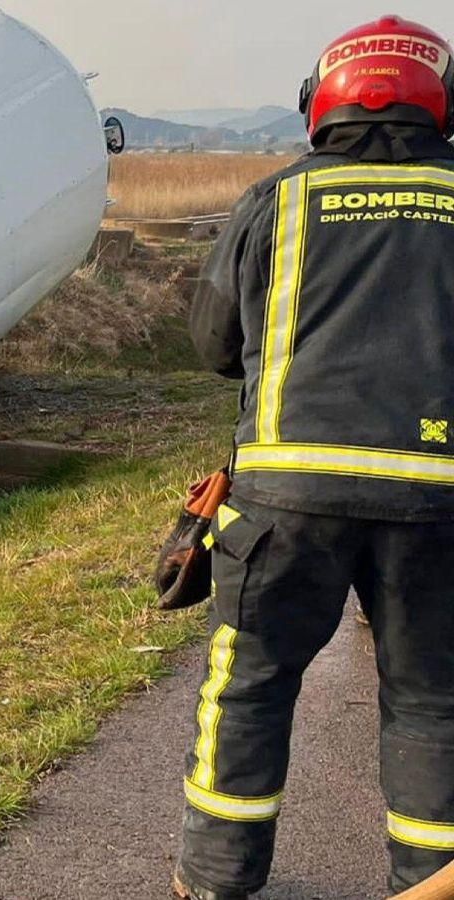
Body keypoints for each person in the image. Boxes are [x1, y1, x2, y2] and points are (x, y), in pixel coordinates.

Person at [176, 15, 454, 899]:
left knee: (251, 684)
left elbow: (215, 345)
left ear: (318, 103)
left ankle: (214, 881)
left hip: (284, 501)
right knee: (433, 702)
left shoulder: (275, 200)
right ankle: (428, 885)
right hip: (438, 503)